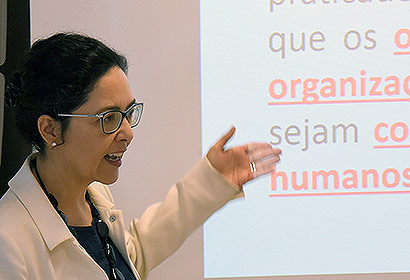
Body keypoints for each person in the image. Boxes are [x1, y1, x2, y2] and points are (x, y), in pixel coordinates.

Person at [0, 33, 282, 280]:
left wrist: (211, 180)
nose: (127, 133)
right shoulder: (9, 240)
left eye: (128, 114)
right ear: (50, 129)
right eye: (108, 118)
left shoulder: (95, 198)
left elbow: (128, 263)